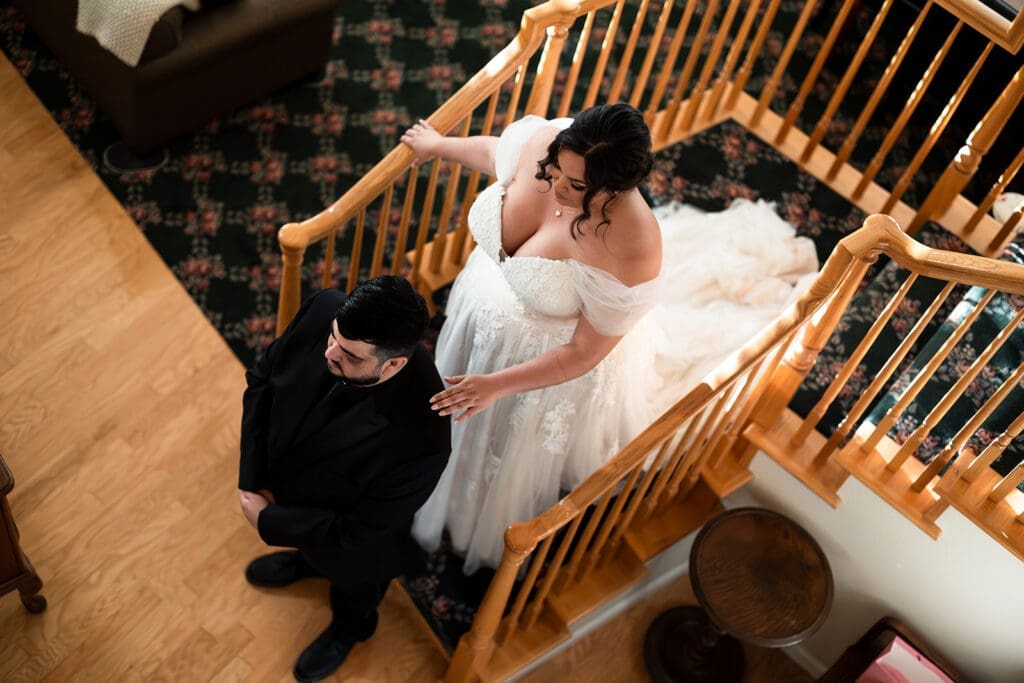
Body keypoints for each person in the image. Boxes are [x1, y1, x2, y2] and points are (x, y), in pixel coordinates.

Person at [401, 103, 818, 574]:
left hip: (540, 363)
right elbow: (500, 155)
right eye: (555, 170)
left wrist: (496, 384)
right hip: (482, 306)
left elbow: (581, 352)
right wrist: (438, 146)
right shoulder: (552, 144)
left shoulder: (633, 244)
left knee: (493, 439)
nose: (557, 187)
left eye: (576, 185)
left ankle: (463, 504)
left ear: (616, 189)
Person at [238, 275, 450, 682]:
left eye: (350, 355)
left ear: (393, 364)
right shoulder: (325, 310)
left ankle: (349, 629)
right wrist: (252, 478)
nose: (329, 352)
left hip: (353, 541)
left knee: (356, 586)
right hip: (290, 488)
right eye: (332, 337)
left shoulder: (424, 440)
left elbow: (359, 528)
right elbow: (262, 381)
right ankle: (305, 560)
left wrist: (268, 522)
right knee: (311, 550)